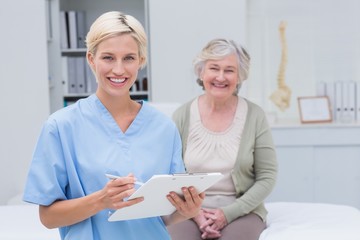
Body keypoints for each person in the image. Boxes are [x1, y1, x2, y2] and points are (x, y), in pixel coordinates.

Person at [23, 11, 204, 240]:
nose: (118, 70)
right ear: (91, 59)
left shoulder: (164, 128)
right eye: (108, 57)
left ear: (141, 60)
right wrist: (101, 201)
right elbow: (47, 217)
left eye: (129, 58)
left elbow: (165, 215)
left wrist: (186, 211)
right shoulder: (60, 126)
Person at [167, 39, 278, 240]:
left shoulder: (255, 115)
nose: (220, 77)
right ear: (202, 72)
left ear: (239, 76)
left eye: (229, 70)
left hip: (242, 211)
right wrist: (196, 214)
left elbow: (267, 176)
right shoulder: (182, 115)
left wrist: (227, 214)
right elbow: (169, 172)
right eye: (214, 68)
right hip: (188, 211)